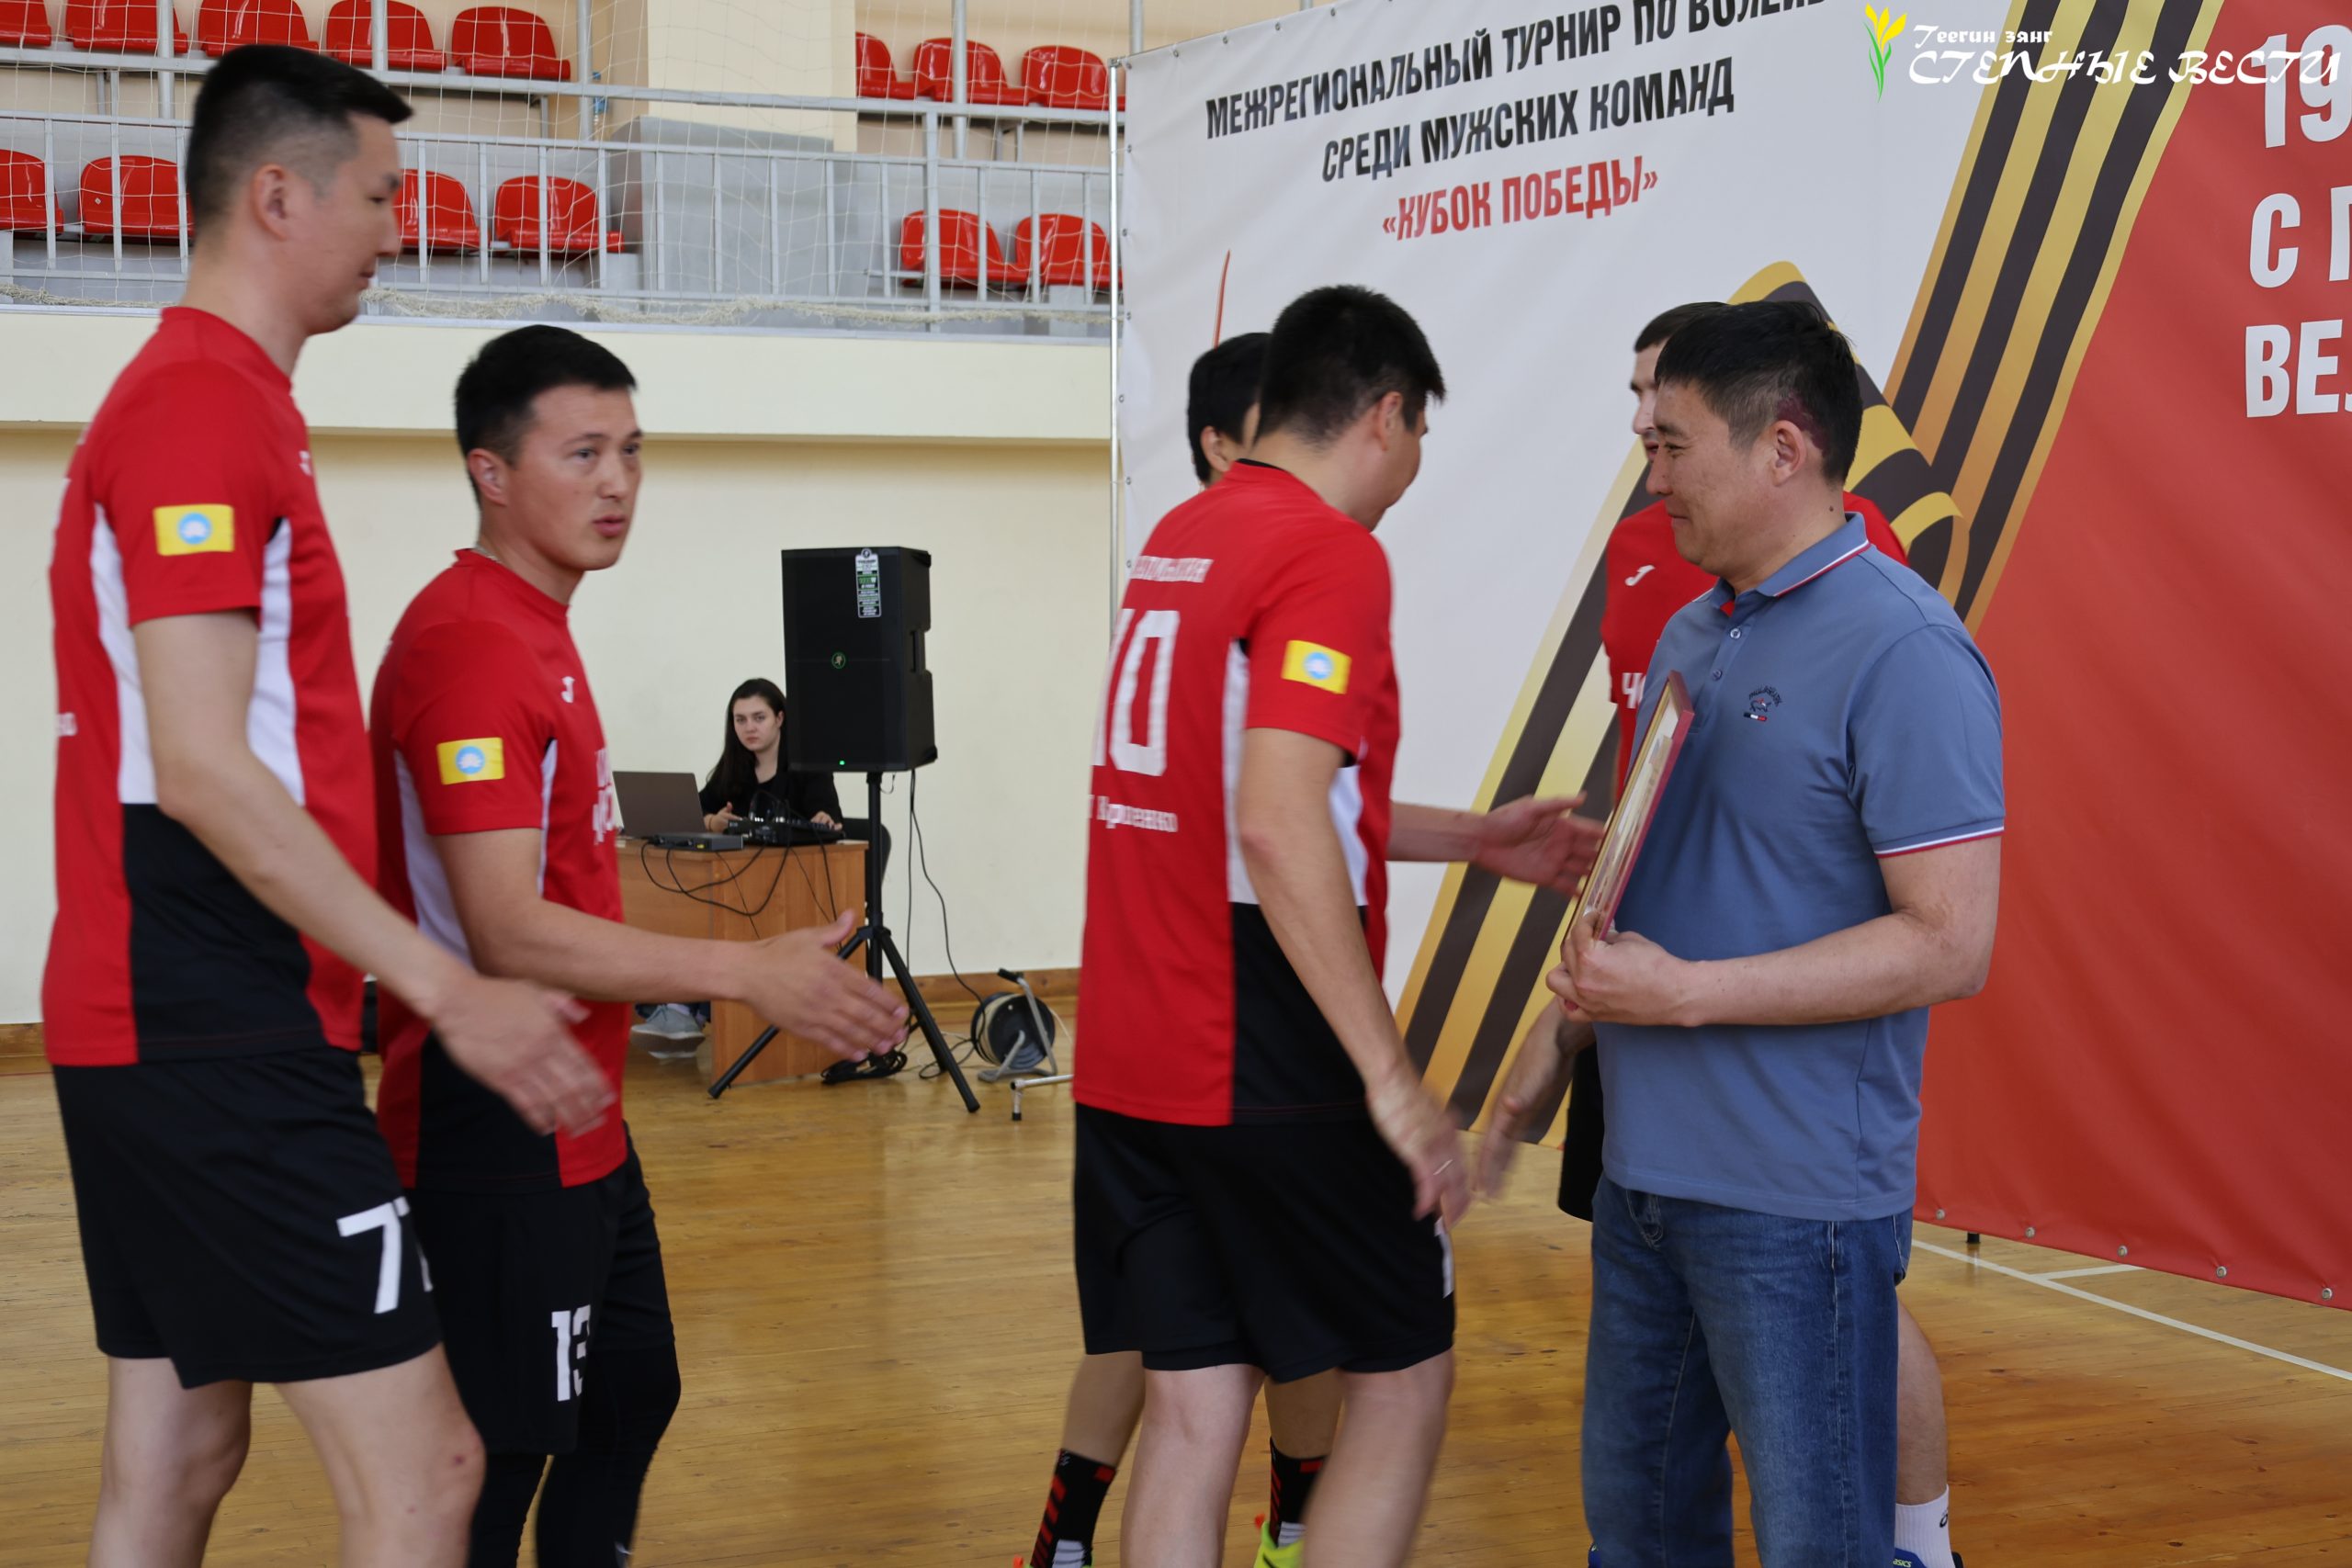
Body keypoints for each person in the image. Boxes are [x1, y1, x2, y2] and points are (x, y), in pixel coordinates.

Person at [43, 44, 614, 1568]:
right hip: (211, 1024)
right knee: (430, 1469)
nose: (395, 230)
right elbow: (203, 761)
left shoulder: (220, 400)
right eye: (379, 196)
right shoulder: (200, 406)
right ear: (278, 197)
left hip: (164, 1020)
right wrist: (446, 983)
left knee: (177, 1450)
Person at [1073, 285, 1603, 1568]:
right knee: (1402, 1375)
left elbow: (1255, 798)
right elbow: (1274, 822)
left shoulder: (1184, 536)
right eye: (1419, 436)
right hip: (1260, 1041)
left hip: (1133, 1049)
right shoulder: (1326, 552)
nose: (1413, 470)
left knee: (1196, 1405)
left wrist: (1474, 837)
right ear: (1385, 414)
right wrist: (1391, 1080)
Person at [369, 325, 910, 1565]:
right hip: (490, 1118)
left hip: (580, 1108)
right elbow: (505, 924)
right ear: (490, 471)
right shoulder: (469, 640)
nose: (618, 481)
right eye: (582, 453)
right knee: (493, 1458)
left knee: (630, 1387)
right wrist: (745, 970)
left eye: (631, 450)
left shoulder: (538, 626)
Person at [1480, 302, 1968, 1567]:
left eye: (1672, 446)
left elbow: (1948, 942)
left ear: (1783, 449)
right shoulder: (1695, 630)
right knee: (1637, 1535)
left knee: (1822, 1544)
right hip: (1645, 1184)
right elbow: (1651, 880)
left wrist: (1686, 992)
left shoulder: (1907, 648)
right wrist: (1549, 1053)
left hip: (1795, 1205)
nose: (1652, 480)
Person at [1023, 331, 1343, 1568]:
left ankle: (1065, 1542)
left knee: (1171, 1335)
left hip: (1143, 1015)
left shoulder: (1171, 558)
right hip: (1231, 1013)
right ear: (1221, 443)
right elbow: (1280, 822)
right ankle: (1292, 1532)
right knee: (1269, 1339)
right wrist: (1379, 1061)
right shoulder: (1280, 568)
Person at [699, 678, 842, 830]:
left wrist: (824, 820)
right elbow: (695, 809)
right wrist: (711, 822)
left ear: (779, 719)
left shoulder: (808, 763)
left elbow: (830, 818)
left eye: (759, 718)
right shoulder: (734, 763)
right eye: (740, 720)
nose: (749, 728)